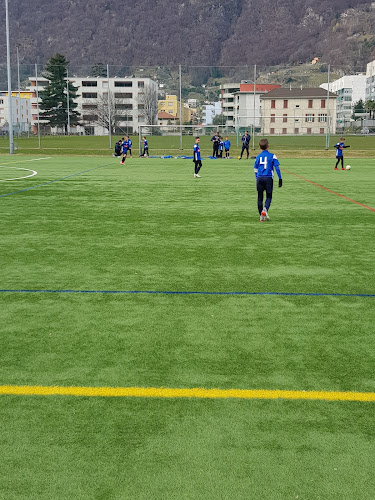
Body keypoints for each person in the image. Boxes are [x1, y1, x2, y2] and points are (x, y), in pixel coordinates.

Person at [254, 138, 282, 222]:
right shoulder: (272, 156)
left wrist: (257, 177)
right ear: (268, 146)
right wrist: (280, 178)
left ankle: (261, 216)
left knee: (260, 197)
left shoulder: (258, 156)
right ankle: (265, 209)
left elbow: (255, 168)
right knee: (269, 196)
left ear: (259, 147)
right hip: (268, 177)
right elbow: (277, 167)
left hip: (259, 178)